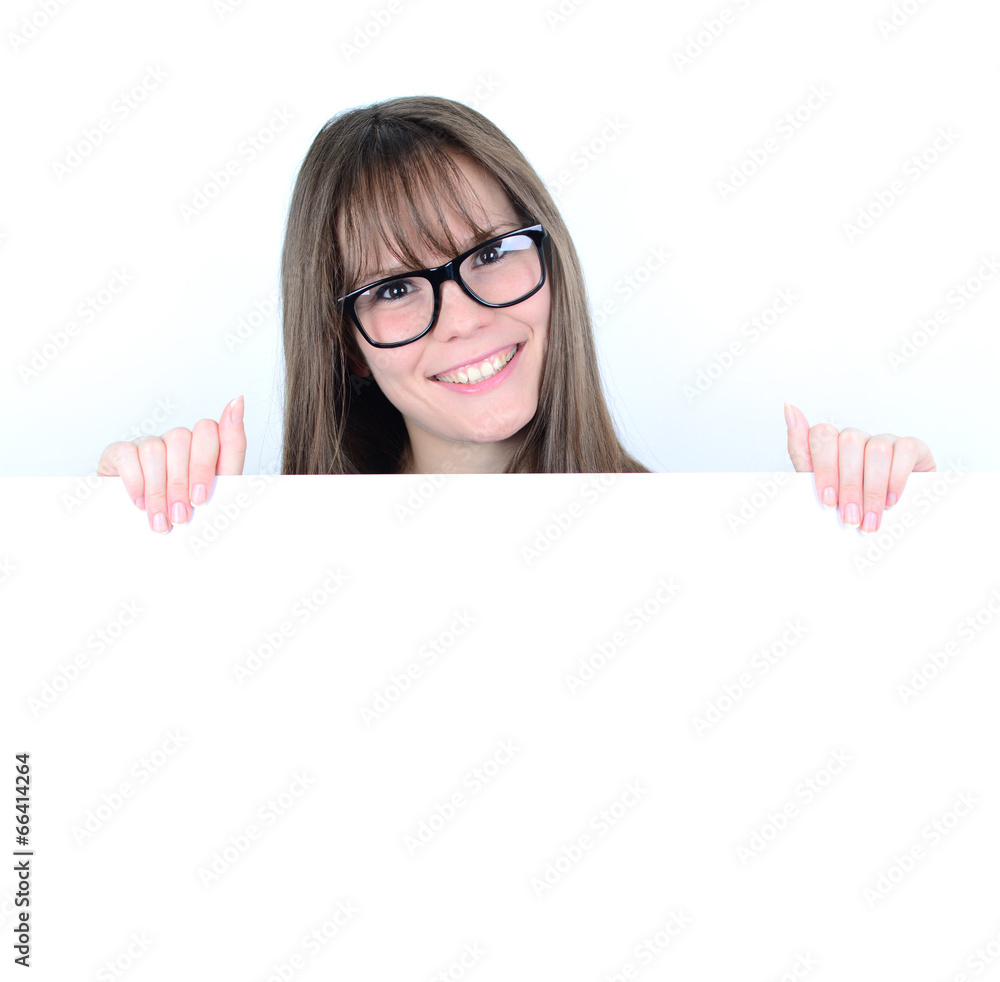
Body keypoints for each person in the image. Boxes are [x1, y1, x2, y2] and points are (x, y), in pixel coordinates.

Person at [97, 96, 936, 534]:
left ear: (552, 265)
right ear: (347, 347)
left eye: (492, 252)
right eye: (393, 288)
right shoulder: (265, 573)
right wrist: (135, 544)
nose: (460, 317)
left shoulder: (698, 549)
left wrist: (895, 539)